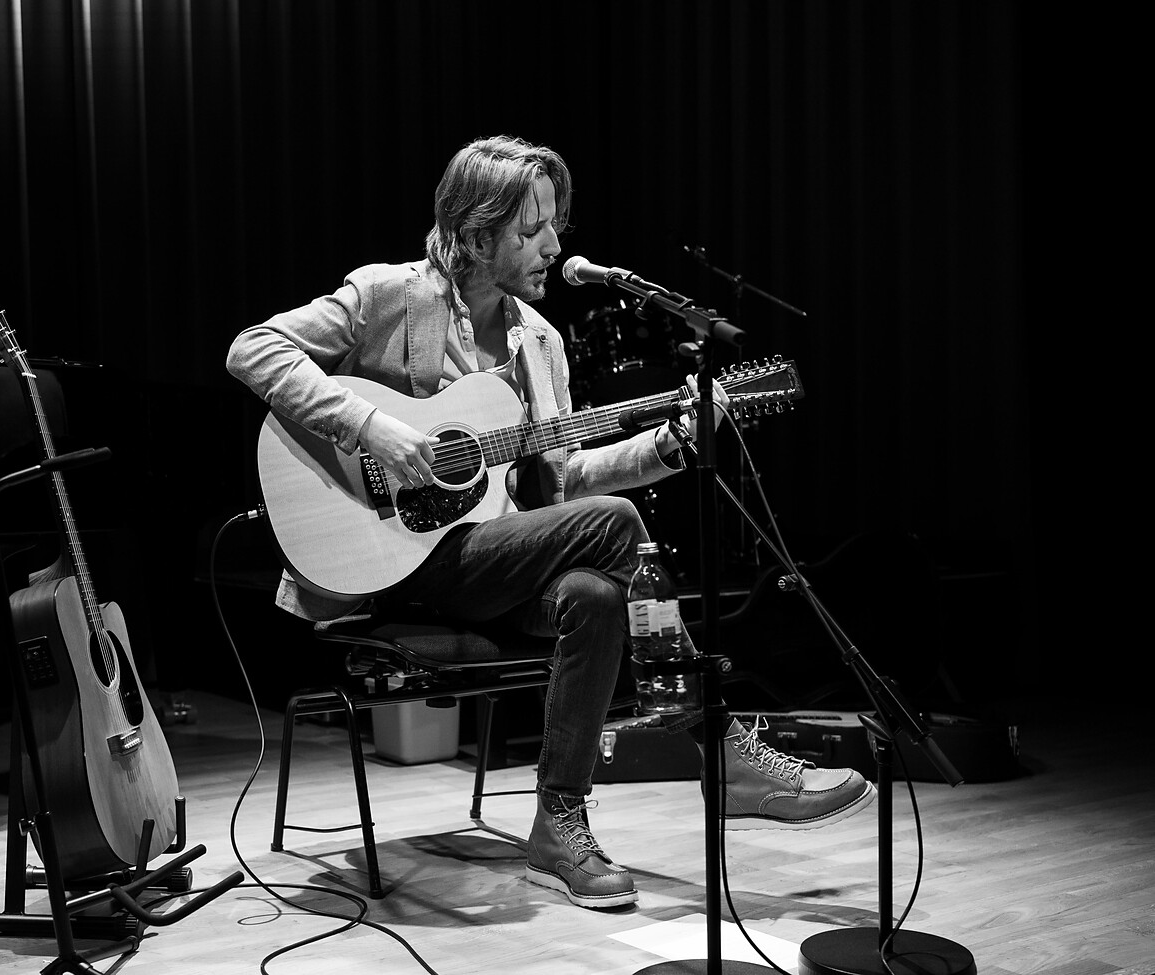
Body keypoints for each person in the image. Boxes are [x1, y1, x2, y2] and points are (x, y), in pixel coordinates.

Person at [226, 134, 875, 910]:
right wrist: (375, 428)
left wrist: (668, 445)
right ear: (476, 235)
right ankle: (721, 747)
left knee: (595, 594)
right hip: (391, 561)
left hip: (491, 562)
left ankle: (557, 823)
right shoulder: (387, 294)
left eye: (554, 227)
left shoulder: (541, 342)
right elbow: (253, 349)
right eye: (532, 230)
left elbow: (565, 488)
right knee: (617, 525)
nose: (554, 247)